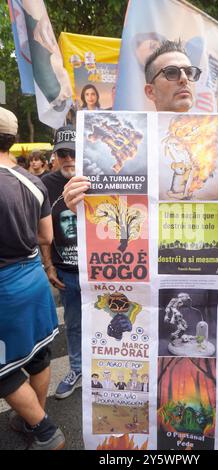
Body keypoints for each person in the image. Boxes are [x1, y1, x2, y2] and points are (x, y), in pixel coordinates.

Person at [63, 40, 218, 450]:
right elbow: (99, 215)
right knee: (144, 370)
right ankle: (152, 440)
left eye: (190, 72)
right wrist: (76, 197)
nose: (184, 79)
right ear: (150, 90)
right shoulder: (114, 144)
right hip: (137, 283)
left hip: (209, 281)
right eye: (172, 72)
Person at [0, 107, 64, 450]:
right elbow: (46, 237)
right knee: (38, 355)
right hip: (32, 279)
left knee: (2, 369)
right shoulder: (33, 180)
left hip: (4, 288)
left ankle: (43, 429)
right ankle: (31, 417)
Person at [40, 125, 82, 399]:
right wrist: (49, 266)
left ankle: (107, 371)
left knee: (113, 321)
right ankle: (77, 368)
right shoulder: (44, 184)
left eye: (73, 152)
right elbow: (42, 232)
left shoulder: (101, 178)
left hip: (102, 272)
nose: (68, 158)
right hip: (67, 270)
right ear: (55, 155)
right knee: (75, 323)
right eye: (62, 153)